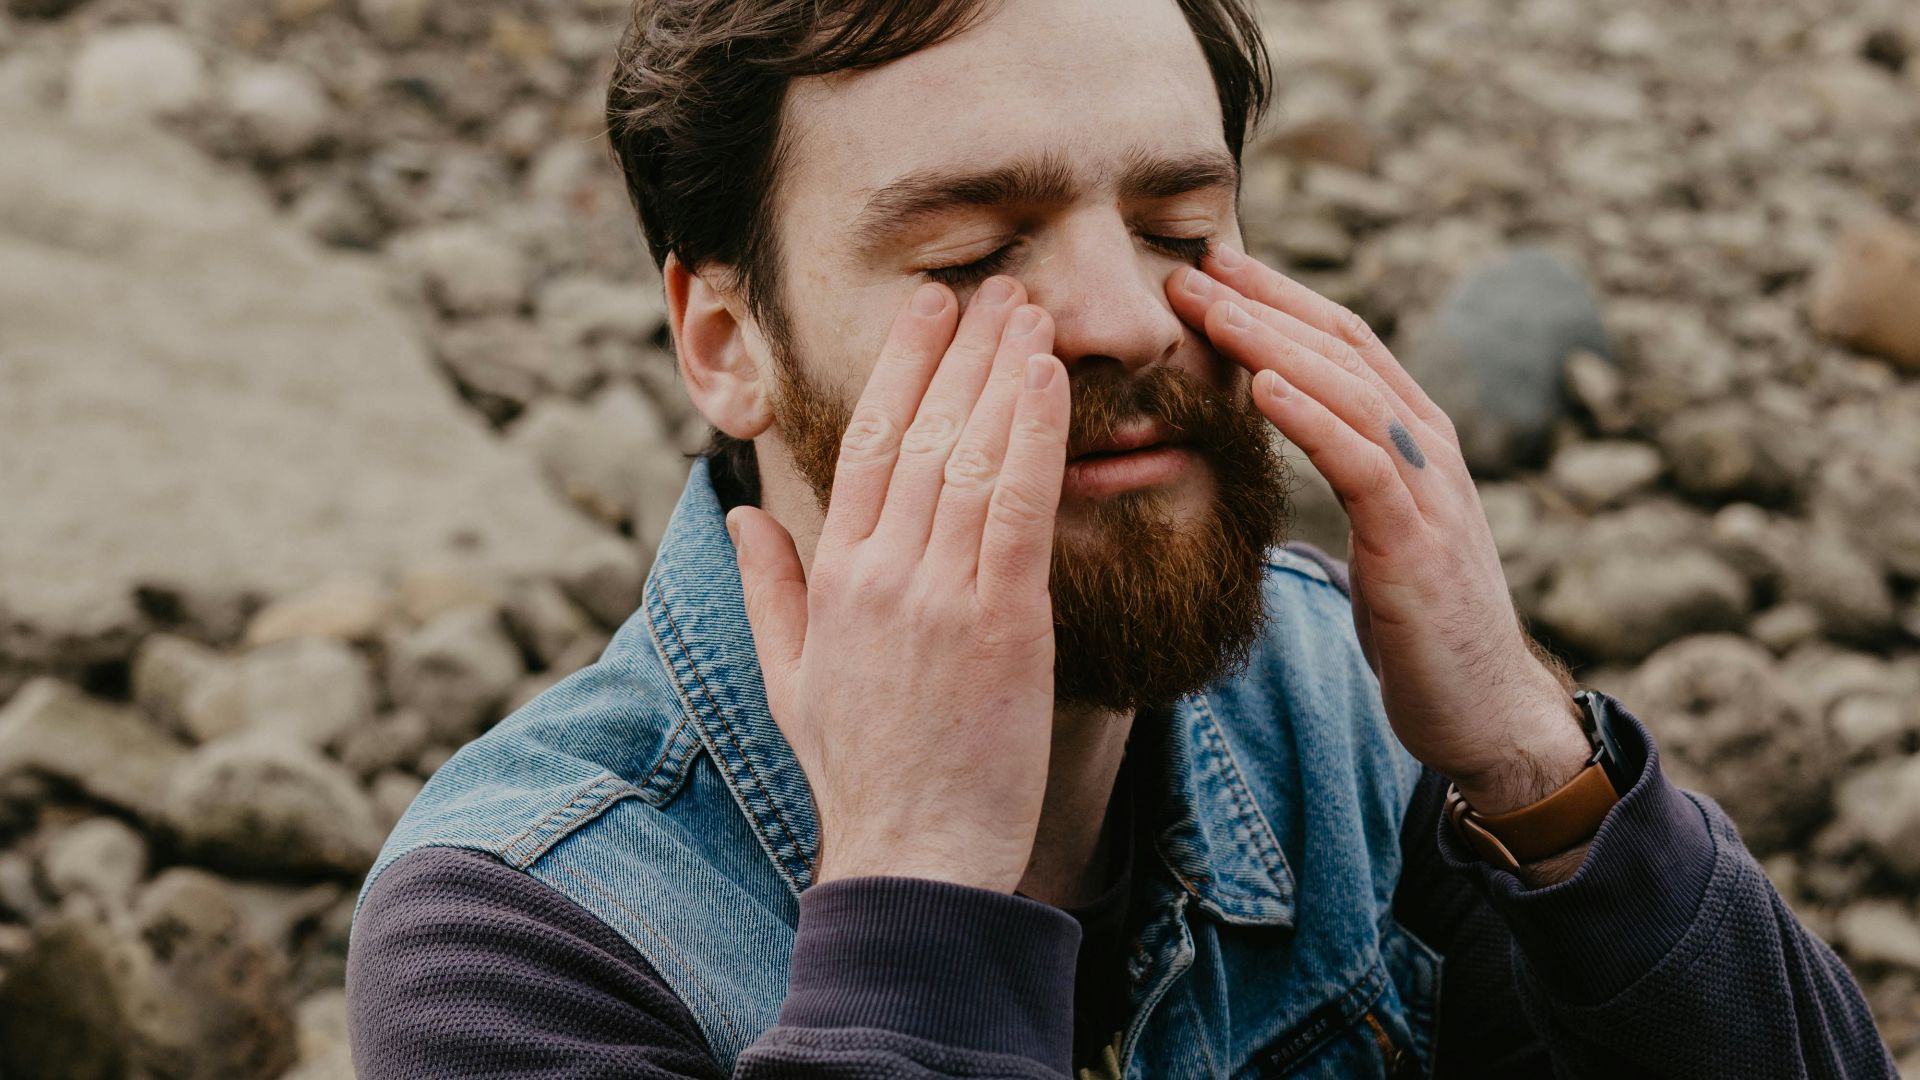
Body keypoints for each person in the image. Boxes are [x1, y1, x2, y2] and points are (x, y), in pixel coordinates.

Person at [344, 1, 1896, 1076]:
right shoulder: (521, 932)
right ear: (725, 336)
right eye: (971, 249)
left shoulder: (1354, 717)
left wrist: (1534, 764)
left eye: (1177, 228)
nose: (1127, 314)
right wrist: (922, 890)